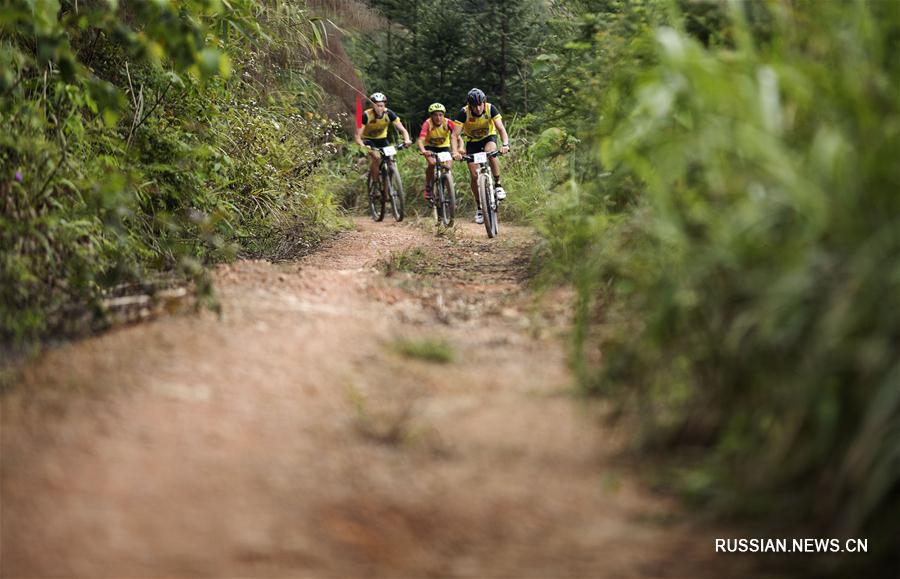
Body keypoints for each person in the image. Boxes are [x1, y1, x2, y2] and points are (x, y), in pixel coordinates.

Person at [450, 88, 510, 224]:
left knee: (491, 152)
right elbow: (454, 135)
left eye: (480, 104)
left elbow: (501, 129)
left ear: (484, 102)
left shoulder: (490, 108)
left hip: (489, 137)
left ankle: (498, 184)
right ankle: (479, 207)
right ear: (469, 105)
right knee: (474, 175)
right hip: (472, 143)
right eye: (474, 105)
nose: (477, 108)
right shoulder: (464, 113)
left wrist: (505, 144)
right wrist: (455, 152)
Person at [354, 92, 412, 185]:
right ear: (373, 105)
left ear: (384, 105)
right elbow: (357, 136)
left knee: (390, 159)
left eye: (381, 105)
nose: (379, 108)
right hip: (368, 140)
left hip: (382, 140)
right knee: (376, 157)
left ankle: (388, 186)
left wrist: (407, 140)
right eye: (377, 105)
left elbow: (403, 130)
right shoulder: (365, 115)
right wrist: (364, 147)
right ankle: (375, 183)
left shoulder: (389, 113)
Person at [416, 102, 462, 200]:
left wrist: (460, 148)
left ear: (443, 115)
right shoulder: (427, 124)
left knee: (448, 168)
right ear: (431, 116)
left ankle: (450, 195)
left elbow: (458, 137)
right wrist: (424, 151)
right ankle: (428, 186)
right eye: (435, 115)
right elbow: (420, 140)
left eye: (440, 115)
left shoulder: (448, 122)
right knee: (432, 164)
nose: (438, 117)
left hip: (444, 147)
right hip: (430, 148)